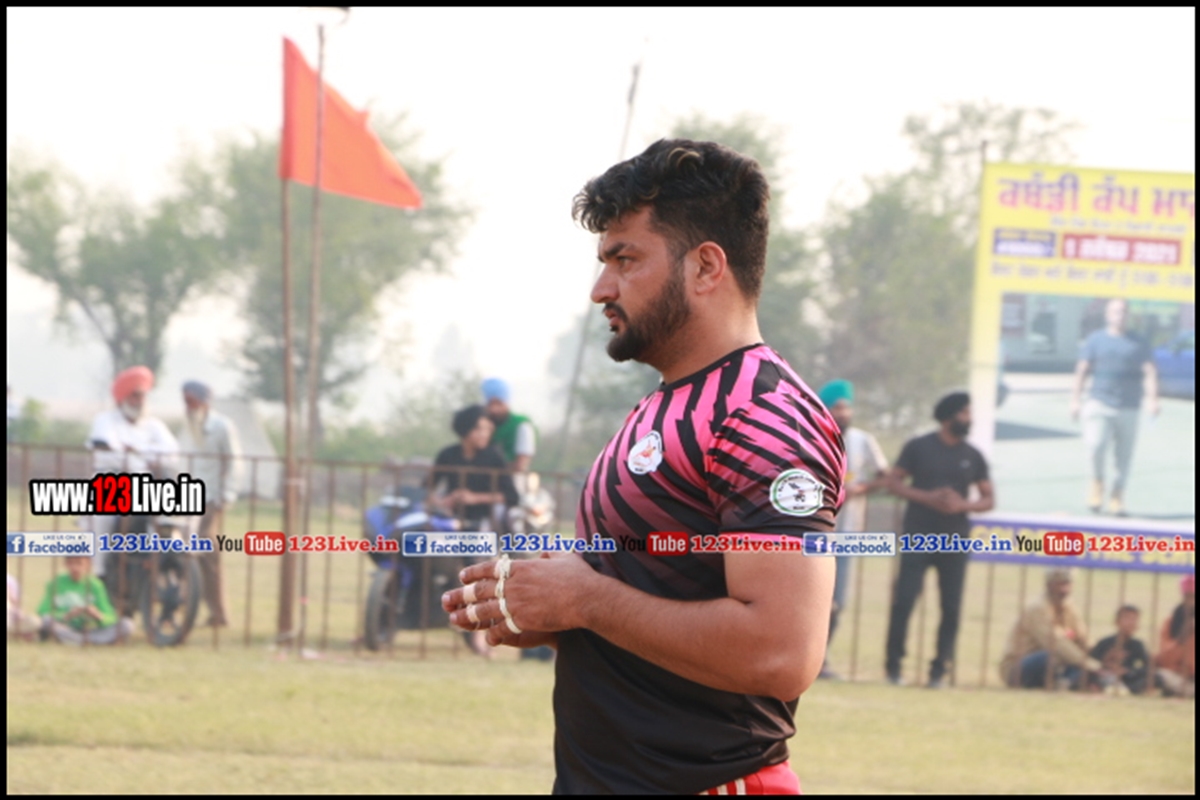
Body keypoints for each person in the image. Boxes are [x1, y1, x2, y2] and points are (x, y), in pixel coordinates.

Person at [443, 139, 844, 794]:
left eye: (625, 259)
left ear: (706, 267)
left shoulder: (763, 415)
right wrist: (557, 616)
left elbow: (780, 652)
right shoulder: (667, 403)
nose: (601, 289)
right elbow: (659, 602)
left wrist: (587, 600)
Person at [884, 391, 994, 688]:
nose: (969, 419)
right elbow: (893, 482)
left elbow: (988, 499)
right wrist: (927, 497)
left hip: (955, 540)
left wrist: (962, 505)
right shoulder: (919, 447)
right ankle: (893, 667)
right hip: (918, 535)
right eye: (965, 413)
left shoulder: (972, 455)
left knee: (951, 608)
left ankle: (939, 670)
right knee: (904, 601)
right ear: (949, 416)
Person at [817, 379, 887, 680]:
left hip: (849, 533)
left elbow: (885, 476)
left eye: (847, 407)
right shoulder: (811, 437)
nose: (843, 413)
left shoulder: (862, 440)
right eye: (837, 408)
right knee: (814, 600)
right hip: (814, 534)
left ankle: (821, 660)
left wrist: (861, 488)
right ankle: (808, 658)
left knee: (838, 602)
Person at [86, 366, 179, 579]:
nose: (139, 401)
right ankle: (100, 572)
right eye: (135, 395)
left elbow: (172, 452)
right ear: (123, 397)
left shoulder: (154, 425)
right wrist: (146, 456)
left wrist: (136, 451)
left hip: (147, 485)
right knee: (102, 517)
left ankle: (164, 560)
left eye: (143, 395)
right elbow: (107, 451)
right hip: (112, 483)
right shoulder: (106, 420)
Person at [1070, 297, 1159, 516]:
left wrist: (1153, 399)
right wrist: (1075, 400)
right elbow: (1082, 370)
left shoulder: (1138, 342)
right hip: (1099, 402)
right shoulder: (1096, 340)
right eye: (1116, 312)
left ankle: (1117, 496)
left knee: (1123, 457)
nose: (1120, 316)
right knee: (1095, 447)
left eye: (1123, 312)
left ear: (1128, 316)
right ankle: (1097, 484)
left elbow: (1149, 371)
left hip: (1129, 406)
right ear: (1108, 315)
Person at [178, 380, 243, 628]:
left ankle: (218, 612)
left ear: (203, 401)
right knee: (182, 553)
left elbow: (235, 461)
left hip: (209, 498)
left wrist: (227, 495)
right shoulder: (187, 426)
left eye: (191, 401)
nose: (187, 406)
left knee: (206, 552)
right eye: (185, 401)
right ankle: (188, 605)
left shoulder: (221, 426)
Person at [999, 568, 1102, 690]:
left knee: (1079, 666)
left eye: (1067, 584)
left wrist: (1099, 657)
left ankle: (1070, 683)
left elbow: (1083, 639)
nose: (1064, 590)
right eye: (1059, 584)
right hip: (1020, 666)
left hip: (1057, 663)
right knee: (1050, 656)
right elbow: (1056, 643)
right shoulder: (1037, 608)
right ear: (1049, 585)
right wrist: (1089, 664)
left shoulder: (1068, 607)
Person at [430, 404, 520, 532]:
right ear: (466, 429)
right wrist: (444, 502)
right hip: (453, 520)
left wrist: (474, 498)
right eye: (479, 429)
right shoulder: (447, 455)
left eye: (487, 429)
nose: (484, 434)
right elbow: (426, 489)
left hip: (486, 521)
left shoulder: (494, 456)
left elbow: (511, 496)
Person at [36, 555, 133, 645]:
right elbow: (43, 611)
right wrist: (66, 615)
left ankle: (79, 640)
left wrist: (97, 615)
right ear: (65, 564)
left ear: (88, 564)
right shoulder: (56, 583)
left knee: (126, 625)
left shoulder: (96, 585)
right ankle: (87, 641)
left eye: (79, 563)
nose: (75, 568)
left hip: (92, 629)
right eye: (71, 563)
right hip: (66, 627)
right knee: (46, 621)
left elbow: (110, 616)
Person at [1088, 604, 1150, 695]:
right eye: (1127, 618)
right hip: (1105, 675)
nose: (1131, 623)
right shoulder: (1105, 643)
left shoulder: (1137, 645)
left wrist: (1127, 671)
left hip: (1128, 679)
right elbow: (1092, 663)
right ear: (1117, 621)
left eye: (1134, 619)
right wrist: (1107, 665)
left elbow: (1148, 666)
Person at [481, 377, 537, 475]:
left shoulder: (521, 426)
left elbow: (521, 464)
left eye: (499, 404)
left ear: (507, 402)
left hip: (514, 478)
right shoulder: (481, 425)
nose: (494, 409)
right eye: (490, 404)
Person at [1154, 574, 1195, 698]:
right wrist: (1182, 638)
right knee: (1158, 675)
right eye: (1188, 596)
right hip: (1177, 677)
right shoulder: (1171, 622)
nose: (1191, 601)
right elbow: (1165, 659)